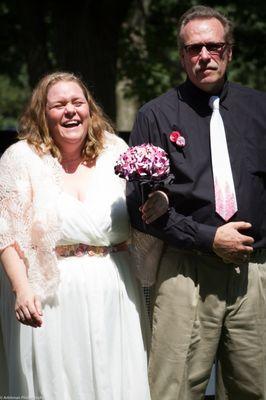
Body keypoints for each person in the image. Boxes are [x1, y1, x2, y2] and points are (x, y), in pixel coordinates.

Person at [126, 5, 266, 400]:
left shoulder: (261, 109)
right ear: (182, 55)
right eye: (193, 49)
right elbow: (140, 207)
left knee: (253, 388)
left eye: (213, 46)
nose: (204, 56)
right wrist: (208, 238)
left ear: (229, 51)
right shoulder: (155, 115)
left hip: (255, 272)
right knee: (174, 388)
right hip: (186, 268)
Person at [0, 71, 167, 399]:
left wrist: (158, 200)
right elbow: (5, 232)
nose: (70, 111)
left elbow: (140, 212)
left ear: (90, 108)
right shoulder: (21, 159)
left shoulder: (116, 151)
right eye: (58, 105)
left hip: (116, 290)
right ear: (42, 113)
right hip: (51, 298)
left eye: (77, 102)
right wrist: (21, 290)